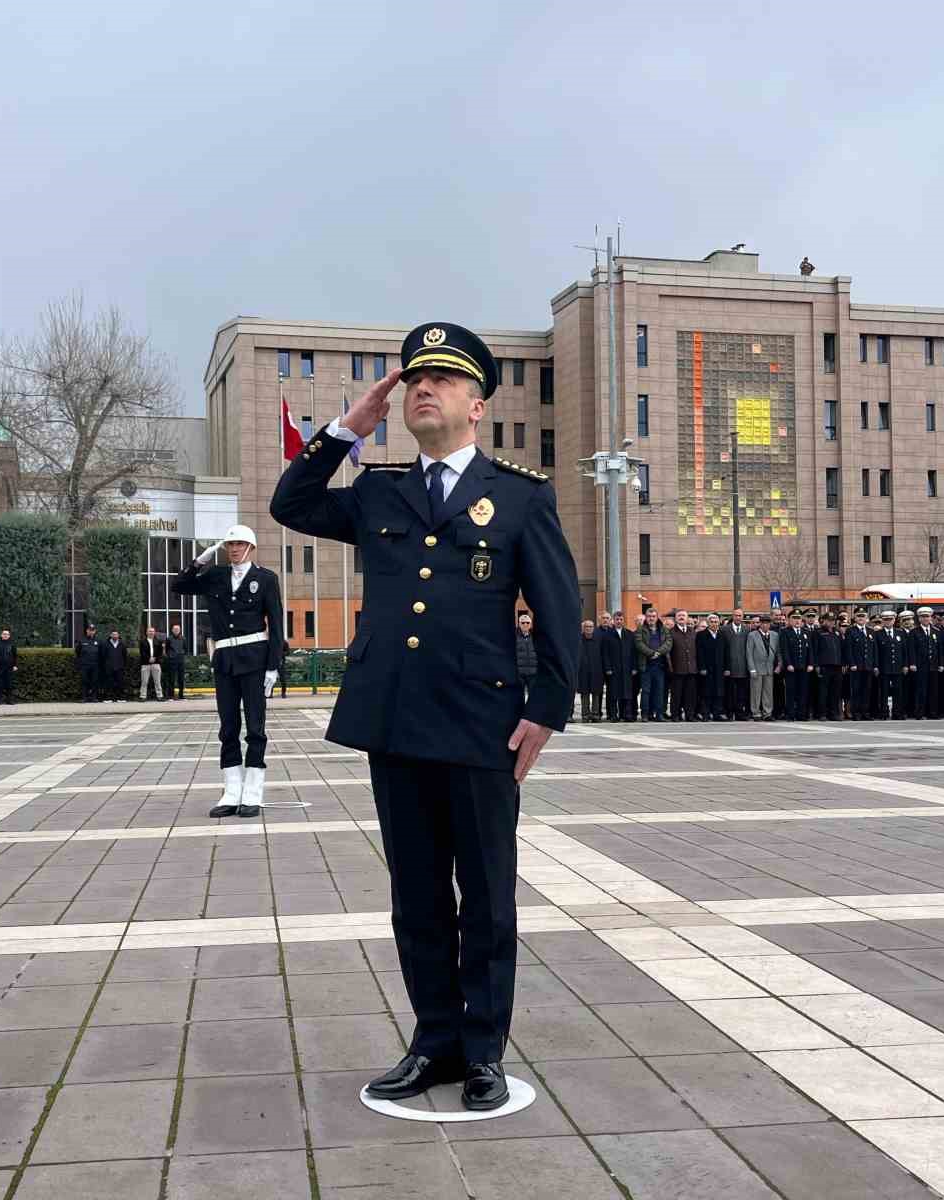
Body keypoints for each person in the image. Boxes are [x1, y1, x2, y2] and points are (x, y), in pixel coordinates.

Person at [269, 322, 577, 1112]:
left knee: (486, 895)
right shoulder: (379, 490)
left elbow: (558, 610)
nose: (421, 391)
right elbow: (290, 502)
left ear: (477, 405)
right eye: (412, 382)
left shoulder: (519, 496)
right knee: (416, 896)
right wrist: (347, 430)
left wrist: (546, 708)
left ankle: (484, 1053)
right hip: (397, 721)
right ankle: (433, 1041)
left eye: (439, 381)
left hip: (481, 724)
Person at [172, 523, 283, 818]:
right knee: (228, 727)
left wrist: (273, 666)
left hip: (255, 659)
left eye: (238, 544)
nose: (233, 549)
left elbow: (276, 624)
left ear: (251, 547)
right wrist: (199, 562)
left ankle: (252, 792)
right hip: (224, 659)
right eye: (229, 545)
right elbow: (178, 587)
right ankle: (232, 792)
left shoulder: (266, 579)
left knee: (255, 728)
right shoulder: (216, 576)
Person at [905, 607, 941, 719]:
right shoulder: (914, 632)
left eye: (927, 616)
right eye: (923, 617)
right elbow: (911, 649)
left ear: (931, 617)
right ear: (919, 618)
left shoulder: (936, 631)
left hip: (934, 665)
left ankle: (933, 713)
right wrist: (912, 663)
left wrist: (941, 664)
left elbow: (940, 650)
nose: (925, 619)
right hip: (920, 666)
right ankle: (919, 712)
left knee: (933, 691)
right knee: (921, 690)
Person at [635, 607, 670, 720]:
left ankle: (659, 714)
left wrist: (659, 652)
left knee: (659, 691)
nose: (651, 618)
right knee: (646, 691)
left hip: (660, 665)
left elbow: (669, 642)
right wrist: (651, 653)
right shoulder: (640, 629)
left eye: (653, 616)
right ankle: (646, 714)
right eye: (649, 616)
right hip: (646, 665)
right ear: (646, 617)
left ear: (657, 617)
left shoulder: (664, 629)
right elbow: (639, 644)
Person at [873, 610, 907, 719]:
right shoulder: (877, 634)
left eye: (890, 619)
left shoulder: (900, 633)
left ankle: (898, 713)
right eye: (885, 620)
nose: (888, 622)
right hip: (884, 667)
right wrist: (876, 666)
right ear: (882, 621)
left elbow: (904, 651)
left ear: (894, 620)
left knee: (898, 691)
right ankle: (884, 712)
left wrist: (905, 665)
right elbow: (876, 651)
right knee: (884, 692)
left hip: (898, 667)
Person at [843, 610, 876, 720]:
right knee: (856, 690)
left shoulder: (871, 631)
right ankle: (856, 713)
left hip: (868, 666)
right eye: (859, 616)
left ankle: (865, 712)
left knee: (867, 690)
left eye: (863, 616)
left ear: (866, 618)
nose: (861, 618)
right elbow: (848, 649)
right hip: (856, 666)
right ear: (855, 618)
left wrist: (874, 665)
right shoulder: (851, 631)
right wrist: (851, 663)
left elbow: (874, 650)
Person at [811, 611, 843, 720]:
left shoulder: (837, 632)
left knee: (835, 691)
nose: (831, 623)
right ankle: (822, 713)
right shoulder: (818, 632)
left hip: (837, 665)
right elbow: (814, 649)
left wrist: (843, 663)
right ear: (823, 621)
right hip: (824, 665)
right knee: (823, 692)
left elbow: (841, 649)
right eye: (829, 620)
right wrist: (816, 665)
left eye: (833, 621)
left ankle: (833, 713)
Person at [746, 613, 779, 719]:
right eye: (763, 623)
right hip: (757, 667)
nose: (765, 625)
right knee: (756, 691)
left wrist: (779, 665)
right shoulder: (752, 635)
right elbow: (749, 653)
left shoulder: (774, 635)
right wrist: (752, 669)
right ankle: (755, 712)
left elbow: (778, 652)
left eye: (767, 623)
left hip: (769, 668)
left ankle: (767, 712)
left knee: (768, 692)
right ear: (760, 624)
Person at [696, 613, 727, 720]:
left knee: (718, 692)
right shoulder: (701, 635)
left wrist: (727, 668)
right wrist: (702, 667)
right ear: (708, 623)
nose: (714, 624)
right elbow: (699, 653)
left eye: (716, 622)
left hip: (719, 669)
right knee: (706, 692)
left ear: (719, 623)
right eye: (712, 622)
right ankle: (705, 713)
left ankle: (717, 714)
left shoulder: (722, 635)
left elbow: (726, 653)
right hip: (706, 669)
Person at [780, 611, 811, 721]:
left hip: (803, 667)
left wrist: (810, 663)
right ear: (789, 620)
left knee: (803, 691)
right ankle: (790, 714)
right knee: (791, 692)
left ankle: (801, 714)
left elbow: (809, 649)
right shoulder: (785, 632)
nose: (797, 620)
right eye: (794, 618)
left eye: (799, 618)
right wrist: (788, 664)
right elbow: (785, 650)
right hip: (791, 667)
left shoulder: (805, 632)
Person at [668, 610, 697, 721]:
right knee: (677, 695)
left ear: (687, 618)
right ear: (675, 619)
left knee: (690, 695)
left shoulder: (692, 632)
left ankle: (690, 715)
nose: (681, 617)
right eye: (679, 616)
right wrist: (671, 667)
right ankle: (676, 715)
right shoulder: (671, 632)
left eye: (683, 616)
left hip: (691, 669)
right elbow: (668, 653)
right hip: (677, 669)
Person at [724, 609, 751, 720]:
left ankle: (740, 713)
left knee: (741, 693)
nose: (738, 617)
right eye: (736, 615)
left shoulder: (746, 630)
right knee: (729, 692)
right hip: (730, 667)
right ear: (732, 616)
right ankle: (730, 713)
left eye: (740, 616)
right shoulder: (724, 630)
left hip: (743, 667)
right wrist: (726, 667)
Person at [576, 618, 603, 721]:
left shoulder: (598, 639)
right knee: (584, 693)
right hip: (582, 671)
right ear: (583, 628)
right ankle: (585, 715)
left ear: (594, 628)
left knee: (596, 693)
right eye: (586, 627)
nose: (588, 629)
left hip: (596, 670)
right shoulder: (578, 639)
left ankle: (595, 714)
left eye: (591, 627)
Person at [74, 623, 102, 702]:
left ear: (95, 631)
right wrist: (79, 664)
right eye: (90, 630)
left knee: (95, 681)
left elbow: (101, 654)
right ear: (87, 631)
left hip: (95, 665)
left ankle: (94, 697)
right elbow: (77, 653)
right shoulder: (82, 640)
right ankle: (84, 697)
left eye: (93, 630)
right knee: (84, 681)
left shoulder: (98, 641)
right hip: (84, 665)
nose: (91, 632)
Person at [515, 611, 538, 704]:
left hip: (533, 672)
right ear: (519, 624)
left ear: (530, 624)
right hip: (519, 673)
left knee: (533, 696)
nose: (525, 624)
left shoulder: (536, 637)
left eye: (527, 623)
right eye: (523, 623)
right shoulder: (514, 637)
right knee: (519, 696)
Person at [0, 628, 18, 703]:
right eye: (4, 634)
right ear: (1, 635)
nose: (5, 635)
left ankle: (9, 700)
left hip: (9, 667)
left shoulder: (12, 643)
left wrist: (15, 665)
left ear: (9, 636)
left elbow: (15, 655)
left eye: (7, 634)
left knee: (9, 684)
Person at [102, 629, 128, 701]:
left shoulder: (122, 644)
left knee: (120, 682)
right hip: (109, 667)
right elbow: (103, 656)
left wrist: (123, 665)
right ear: (110, 635)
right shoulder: (105, 644)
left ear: (118, 635)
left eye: (116, 634)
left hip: (119, 667)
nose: (115, 636)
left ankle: (120, 698)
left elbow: (124, 656)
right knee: (108, 683)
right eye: (113, 634)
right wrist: (106, 665)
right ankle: (108, 698)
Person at [139, 626, 163, 701]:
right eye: (149, 631)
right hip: (145, 664)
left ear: (154, 632)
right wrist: (148, 659)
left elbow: (160, 653)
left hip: (156, 664)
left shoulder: (158, 641)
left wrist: (155, 658)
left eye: (152, 631)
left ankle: (159, 696)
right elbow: (142, 652)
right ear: (146, 632)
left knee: (157, 681)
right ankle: (143, 696)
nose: (151, 632)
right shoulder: (142, 641)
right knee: (144, 681)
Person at [164, 623, 187, 700]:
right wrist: (170, 656)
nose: (176, 630)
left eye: (178, 629)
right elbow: (167, 649)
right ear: (172, 630)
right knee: (171, 678)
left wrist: (182, 655)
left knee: (181, 678)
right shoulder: (169, 639)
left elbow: (185, 649)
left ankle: (181, 695)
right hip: (172, 661)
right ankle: (171, 695)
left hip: (181, 660)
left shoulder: (183, 639)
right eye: (175, 629)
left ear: (180, 630)